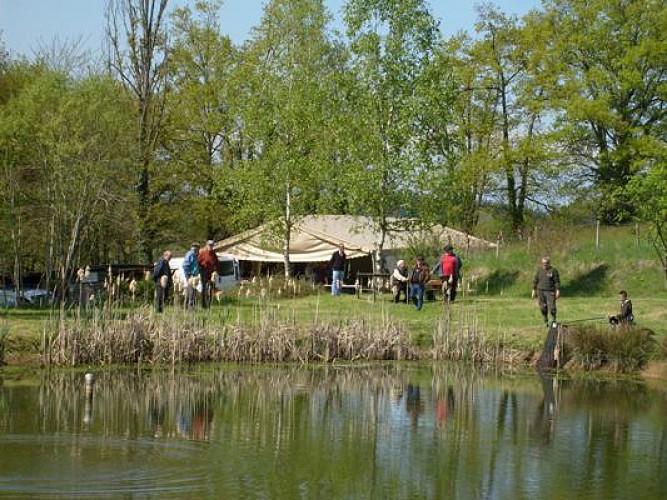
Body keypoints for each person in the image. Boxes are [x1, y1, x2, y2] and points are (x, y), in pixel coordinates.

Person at [531, 256, 561, 326]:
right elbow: (535, 280)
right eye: (543, 263)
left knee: (552, 307)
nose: (545, 265)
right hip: (540, 291)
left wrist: (558, 290)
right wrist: (533, 290)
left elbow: (557, 282)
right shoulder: (539, 270)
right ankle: (545, 321)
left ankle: (553, 320)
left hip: (550, 291)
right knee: (543, 307)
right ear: (541, 263)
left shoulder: (553, 270)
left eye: (546, 263)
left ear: (549, 263)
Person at [198, 239, 220, 309]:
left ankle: (209, 304)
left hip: (212, 273)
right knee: (204, 288)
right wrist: (201, 267)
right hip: (204, 272)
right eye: (210, 245)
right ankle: (204, 305)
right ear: (207, 245)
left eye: (212, 245)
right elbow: (198, 262)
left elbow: (217, 263)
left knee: (211, 289)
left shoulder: (213, 254)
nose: (211, 246)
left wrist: (216, 271)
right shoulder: (203, 253)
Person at [183, 242, 200, 309]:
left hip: (193, 275)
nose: (196, 248)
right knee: (192, 291)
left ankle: (187, 307)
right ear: (192, 247)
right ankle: (190, 308)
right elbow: (185, 265)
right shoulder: (191, 254)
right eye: (195, 247)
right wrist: (190, 274)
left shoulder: (194, 255)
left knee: (190, 290)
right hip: (191, 275)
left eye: (197, 247)